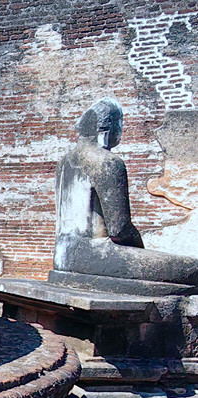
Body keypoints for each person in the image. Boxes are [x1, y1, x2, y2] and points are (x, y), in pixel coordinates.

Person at [54, 98, 198, 286]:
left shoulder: (63, 162)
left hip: (62, 253)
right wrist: (141, 247)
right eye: (120, 124)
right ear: (109, 127)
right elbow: (119, 229)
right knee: (191, 269)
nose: (121, 131)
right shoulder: (107, 163)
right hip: (94, 254)